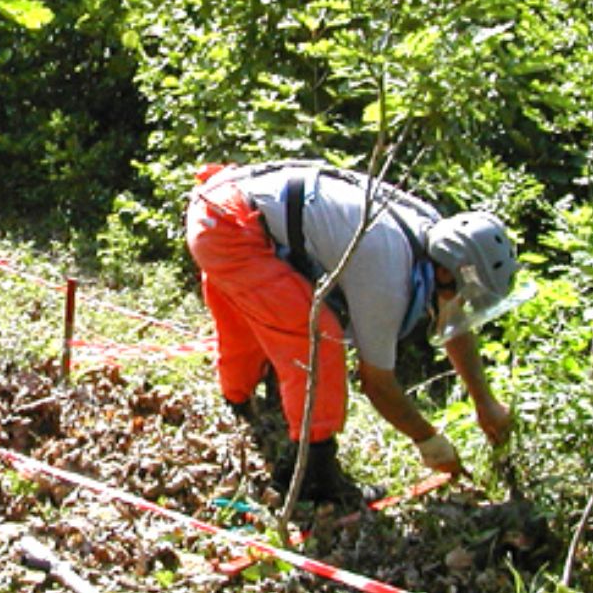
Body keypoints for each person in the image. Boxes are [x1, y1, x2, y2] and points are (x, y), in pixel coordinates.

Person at [185, 160, 529, 506]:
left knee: (249, 322)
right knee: (318, 338)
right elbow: (377, 383)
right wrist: (429, 441)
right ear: (445, 273)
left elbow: (453, 321)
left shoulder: (435, 233)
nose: (460, 303)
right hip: (230, 223)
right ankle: (313, 477)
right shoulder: (388, 277)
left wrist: (484, 402)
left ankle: (239, 403)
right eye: (462, 293)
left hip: (220, 205)